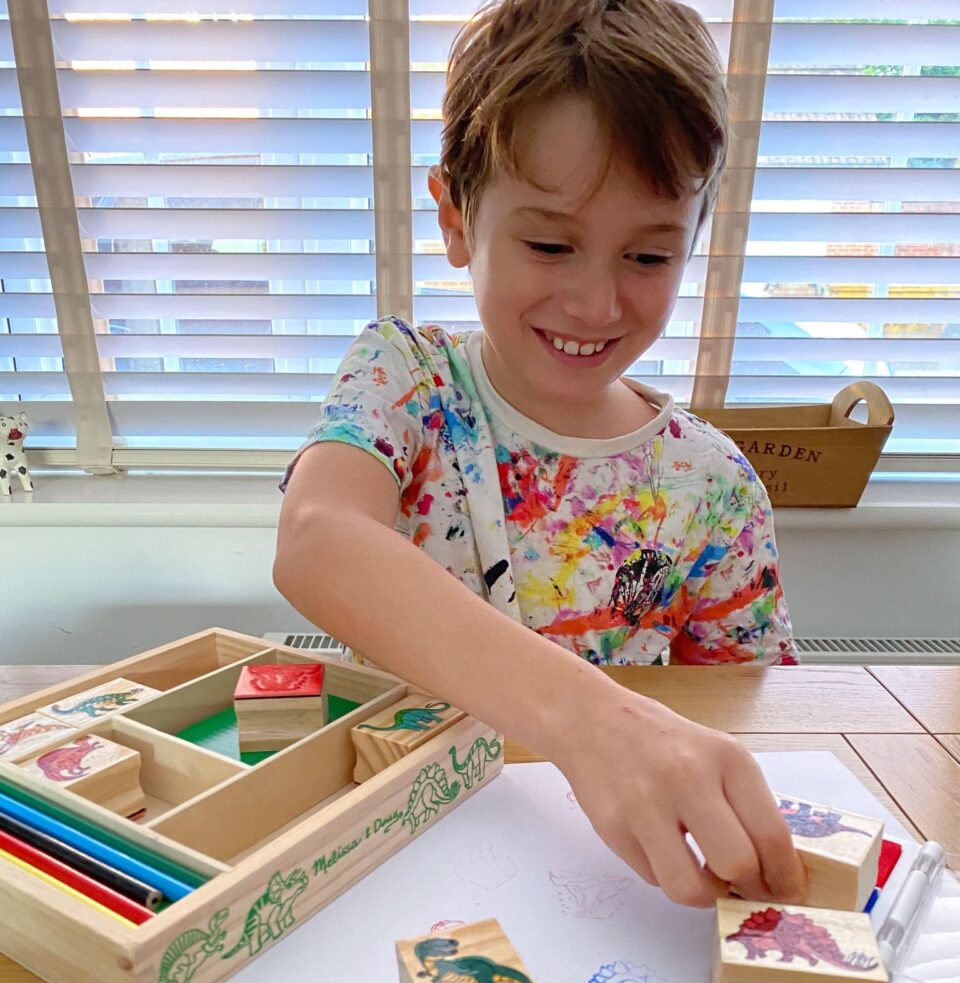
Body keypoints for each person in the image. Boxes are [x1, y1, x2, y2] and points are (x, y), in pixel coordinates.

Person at [274, 0, 806, 908]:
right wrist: (590, 720)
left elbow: (749, 720)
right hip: (393, 862)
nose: (597, 304)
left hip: (609, 890)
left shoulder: (712, 486)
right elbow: (317, 538)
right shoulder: (407, 380)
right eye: (551, 243)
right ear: (453, 217)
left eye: (647, 257)